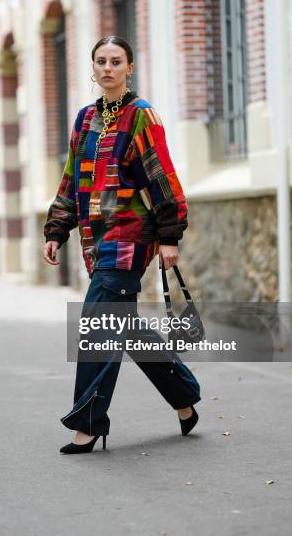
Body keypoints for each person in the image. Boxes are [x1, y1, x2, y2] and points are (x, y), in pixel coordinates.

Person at [43, 35, 201, 454]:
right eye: (101, 61)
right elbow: (72, 178)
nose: (108, 68)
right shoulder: (83, 120)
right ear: (92, 69)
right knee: (123, 326)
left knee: (97, 323)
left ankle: (88, 423)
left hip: (131, 236)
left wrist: (169, 235)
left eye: (116, 61)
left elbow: (162, 175)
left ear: (129, 67)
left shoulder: (142, 116)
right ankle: (184, 397)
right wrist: (57, 228)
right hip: (96, 239)